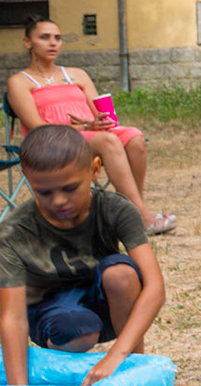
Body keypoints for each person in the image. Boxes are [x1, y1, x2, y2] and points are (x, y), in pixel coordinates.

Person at [0, 125, 165, 386]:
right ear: (29, 180)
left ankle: (135, 369)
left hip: (105, 302)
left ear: (95, 169)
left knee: (121, 273)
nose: (59, 201)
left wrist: (116, 355)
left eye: (70, 188)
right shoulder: (13, 231)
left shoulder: (116, 209)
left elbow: (155, 287)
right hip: (52, 313)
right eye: (44, 192)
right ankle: (65, 380)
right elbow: (12, 316)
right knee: (76, 330)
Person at [6, 18, 174, 234]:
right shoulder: (20, 81)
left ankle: (132, 212)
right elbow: (38, 128)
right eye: (44, 37)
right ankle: (142, 218)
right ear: (27, 42)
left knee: (134, 137)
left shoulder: (77, 74)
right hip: (50, 143)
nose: (53, 43)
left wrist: (99, 122)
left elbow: (101, 114)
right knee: (108, 140)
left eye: (57, 38)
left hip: (91, 135)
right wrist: (85, 128)